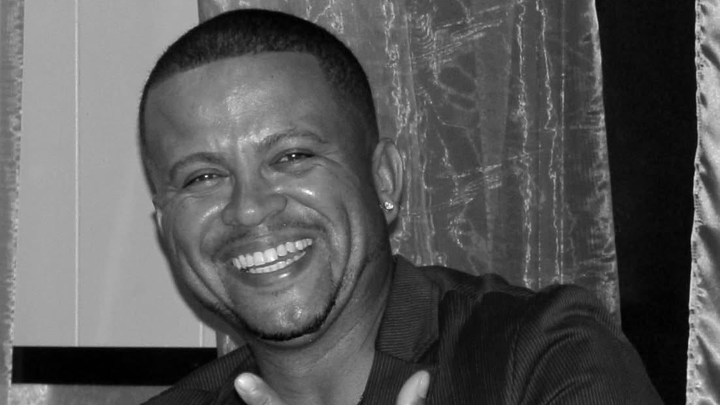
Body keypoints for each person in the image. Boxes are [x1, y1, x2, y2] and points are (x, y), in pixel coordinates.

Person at [138, 8, 663, 405]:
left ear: (384, 179)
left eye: (292, 157)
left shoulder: (540, 357)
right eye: (202, 177)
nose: (250, 209)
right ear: (165, 227)